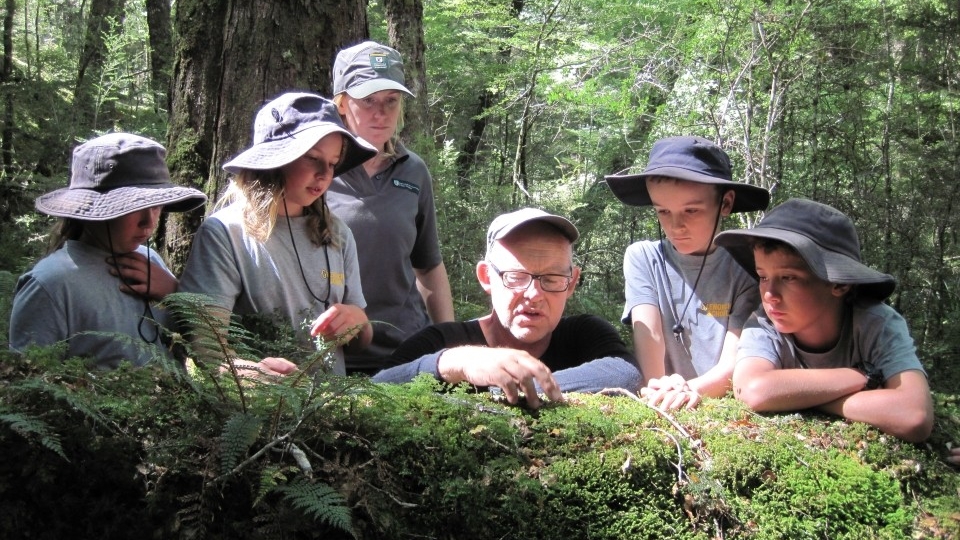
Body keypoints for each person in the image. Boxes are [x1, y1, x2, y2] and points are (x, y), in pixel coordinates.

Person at [178, 92, 378, 376]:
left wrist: (358, 322)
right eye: (312, 158)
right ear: (274, 161)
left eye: (333, 163)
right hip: (257, 410)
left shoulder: (337, 235)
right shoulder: (226, 234)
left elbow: (362, 340)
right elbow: (206, 346)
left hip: (332, 409)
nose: (325, 174)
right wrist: (250, 375)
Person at [714, 198, 934, 443]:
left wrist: (805, 397)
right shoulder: (763, 323)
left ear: (839, 283)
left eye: (788, 278)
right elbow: (752, 390)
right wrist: (861, 377)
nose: (769, 295)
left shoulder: (877, 323)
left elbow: (914, 415)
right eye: (763, 276)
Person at [372, 208, 641, 408]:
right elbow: (373, 392)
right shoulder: (444, 341)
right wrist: (454, 364)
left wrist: (510, 390)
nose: (534, 294)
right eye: (516, 277)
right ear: (487, 277)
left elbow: (625, 373)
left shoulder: (583, 335)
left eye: (552, 279)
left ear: (571, 284)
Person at [9, 132, 207, 369]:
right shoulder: (50, 284)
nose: (149, 222)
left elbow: (197, 348)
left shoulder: (150, 261)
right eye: (135, 207)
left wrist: (175, 293)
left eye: (155, 206)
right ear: (90, 209)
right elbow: (29, 388)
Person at [604, 136, 769, 409]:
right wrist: (660, 388)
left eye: (691, 210)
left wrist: (686, 391)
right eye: (663, 211)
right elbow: (650, 336)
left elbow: (736, 357)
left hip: (718, 403)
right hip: (660, 394)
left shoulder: (748, 267)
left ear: (725, 204)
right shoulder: (644, 258)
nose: (676, 225)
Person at [327, 40, 454, 375]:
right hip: (332, 354)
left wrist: (450, 339)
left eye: (390, 101)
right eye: (367, 101)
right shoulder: (317, 170)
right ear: (341, 104)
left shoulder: (414, 171)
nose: (380, 112)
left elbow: (428, 266)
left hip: (406, 350)